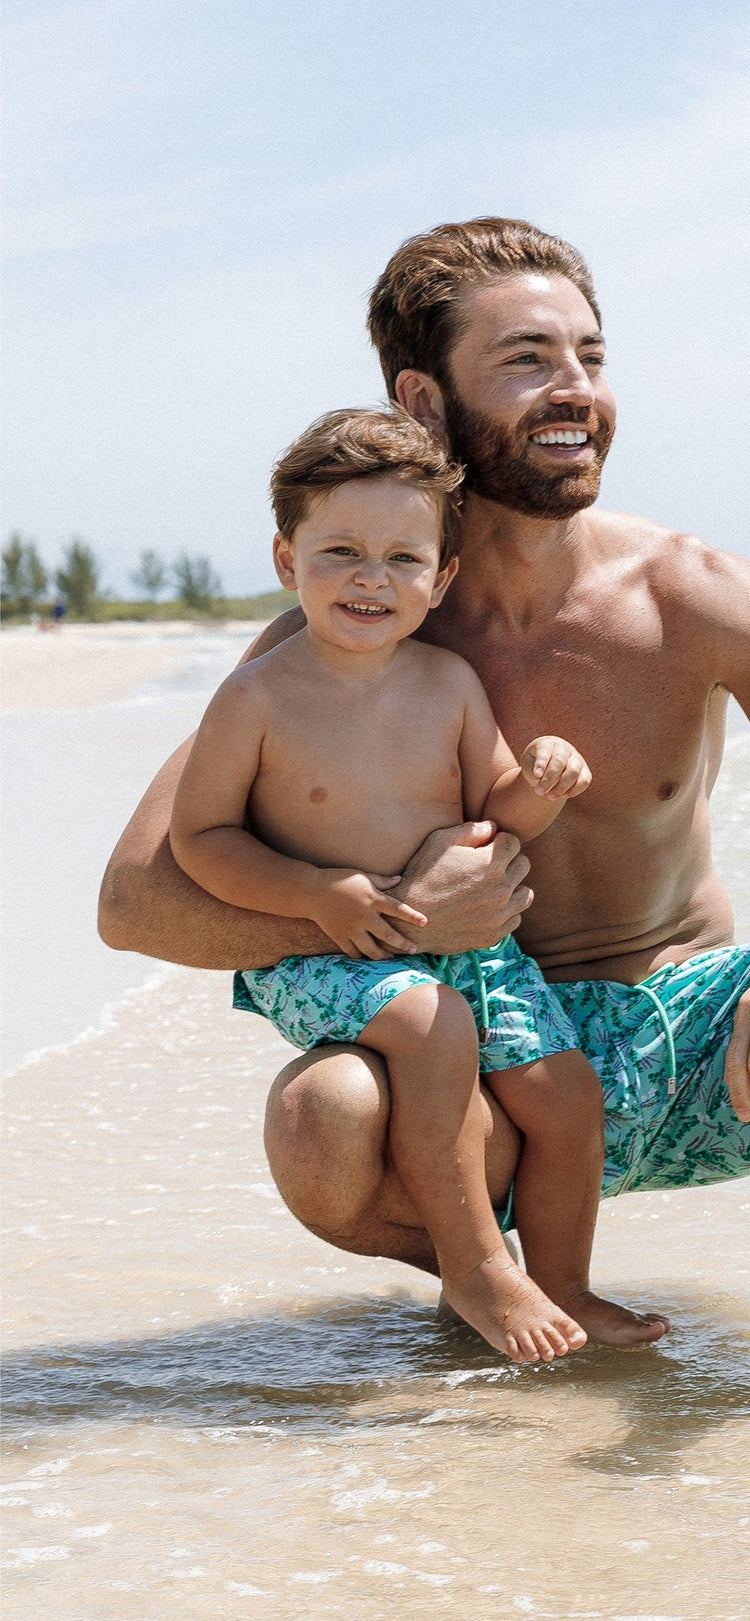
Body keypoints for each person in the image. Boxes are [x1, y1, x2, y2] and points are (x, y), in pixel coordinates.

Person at [100, 218, 750, 1372]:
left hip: (688, 1042)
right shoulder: (343, 643)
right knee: (319, 1118)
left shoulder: (690, 591)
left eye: (591, 355)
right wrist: (386, 912)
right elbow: (136, 897)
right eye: (529, 360)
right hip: (471, 1063)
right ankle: (487, 1266)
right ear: (424, 403)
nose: (576, 390)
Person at [168, 405, 668, 1362]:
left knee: (566, 1094)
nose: (371, 577)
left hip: (472, 950)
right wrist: (317, 893)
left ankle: (564, 1283)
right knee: (432, 1030)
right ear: (286, 559)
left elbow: (501, 807)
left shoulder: (446, 684)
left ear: (440, 579)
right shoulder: (257, 696)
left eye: (403, 559)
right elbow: (200, 840)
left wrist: (545, 781)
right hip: (329, 951)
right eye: (342, 551)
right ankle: (476, 1268)